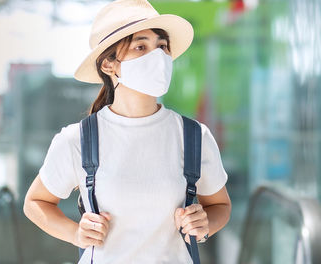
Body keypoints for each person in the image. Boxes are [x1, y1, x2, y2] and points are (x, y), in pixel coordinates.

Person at [23, 0, 232, 263]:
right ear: (109, 65)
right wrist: (76, 233)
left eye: (162, 46)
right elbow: (35, 203)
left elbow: (220, 206)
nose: (157, 56)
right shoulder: (78, 140)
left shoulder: (193, 136)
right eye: (140, 46)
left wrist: (203, 225)